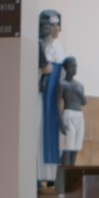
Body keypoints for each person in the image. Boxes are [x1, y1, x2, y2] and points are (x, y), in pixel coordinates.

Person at [38, 9, 65, 186]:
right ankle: (40, 175)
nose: (55, 29)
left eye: (57, 25)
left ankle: (52, 176)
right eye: (51, 25)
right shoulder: (39, 45)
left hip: (55, 96)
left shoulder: (59, 48)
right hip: (42, 97)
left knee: (55, 136)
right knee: (40, 134)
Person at [57, 57, 86, 166]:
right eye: (72, 66)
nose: (74, 68)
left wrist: (80, 93)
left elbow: (84, 102)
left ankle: (71, 173)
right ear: (66, 68)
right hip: (68, 115)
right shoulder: (63, 84)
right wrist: (61, 123)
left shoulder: (79, 85)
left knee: (76, 148)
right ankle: (64, 175)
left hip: (79, 116)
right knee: (67, 148)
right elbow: (57, 104)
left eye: (76, 66)